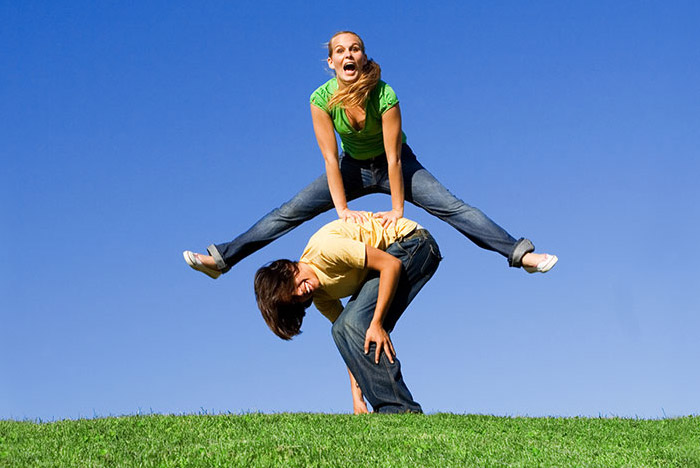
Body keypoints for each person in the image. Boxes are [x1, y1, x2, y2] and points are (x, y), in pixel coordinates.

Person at [183, 30, 557, 279]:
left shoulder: (385, 95)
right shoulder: (320, 100)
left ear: (363, 57)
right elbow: (329, 159)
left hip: (396, 164)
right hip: (351, 169)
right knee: (289, 211)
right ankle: (222, 259)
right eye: (340, 51)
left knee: (453, 207)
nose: (349, 54)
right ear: (331, 62)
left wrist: (397, 210)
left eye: (355, 49)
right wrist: (342, 210)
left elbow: (393, 158)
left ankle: (519, 254)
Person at [254, 212, 441, 413]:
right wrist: (357, 397)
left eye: (294, 286)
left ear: (289, 269)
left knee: (357, 322)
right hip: (394, 258)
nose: (301, 293)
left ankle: (400, 409)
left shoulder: (326, 250)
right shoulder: (321, 297)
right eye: (294, 298)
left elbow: (390, 264)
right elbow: (348, 339)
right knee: (339, 329)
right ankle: (389, 407)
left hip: (415, 244)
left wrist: (377, 323)